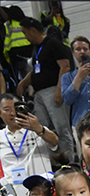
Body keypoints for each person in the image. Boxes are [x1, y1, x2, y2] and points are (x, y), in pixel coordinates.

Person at [16, 18, 74, 163]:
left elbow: (65, 66)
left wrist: (59, 90)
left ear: (33, 30)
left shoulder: (53, 44)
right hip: (39, 94)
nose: (25, 36)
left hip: (53, 90)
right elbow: (37, 70)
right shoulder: (37, 49)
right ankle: (52, 163)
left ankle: (69, 163)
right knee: (42, 128)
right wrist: (23, 83)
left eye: (25, 32)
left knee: (61, 128)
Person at [0, 94, 59, 196]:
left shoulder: (37, 130)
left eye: (16, 108)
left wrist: (39, 129)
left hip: (41, 195)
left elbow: (55, 142)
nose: (13, 113)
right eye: (7, 109)